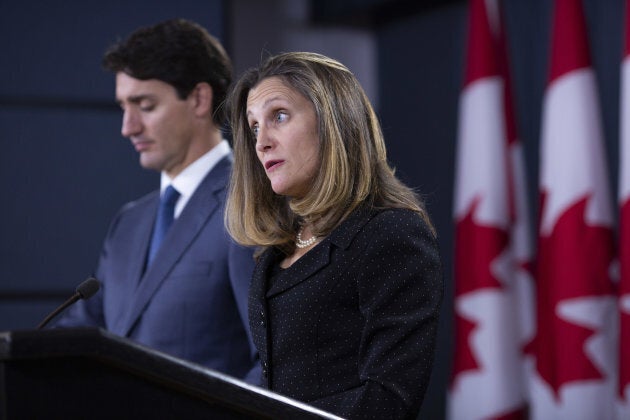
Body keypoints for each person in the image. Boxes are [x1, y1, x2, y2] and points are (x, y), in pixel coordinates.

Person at [224, 51, 443, 419]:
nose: (261, 142)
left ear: (334, 121)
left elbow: (388, 399)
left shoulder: (391, 234)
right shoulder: (275, 252)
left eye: (279, 116)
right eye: (255, 127)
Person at [53, 19, 259, 384]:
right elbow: (83, 333)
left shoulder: (251, 204)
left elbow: (271, 361)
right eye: (123, 107)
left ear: (199, 98)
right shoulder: (129, 222)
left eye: (144, 105)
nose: (127, 127)